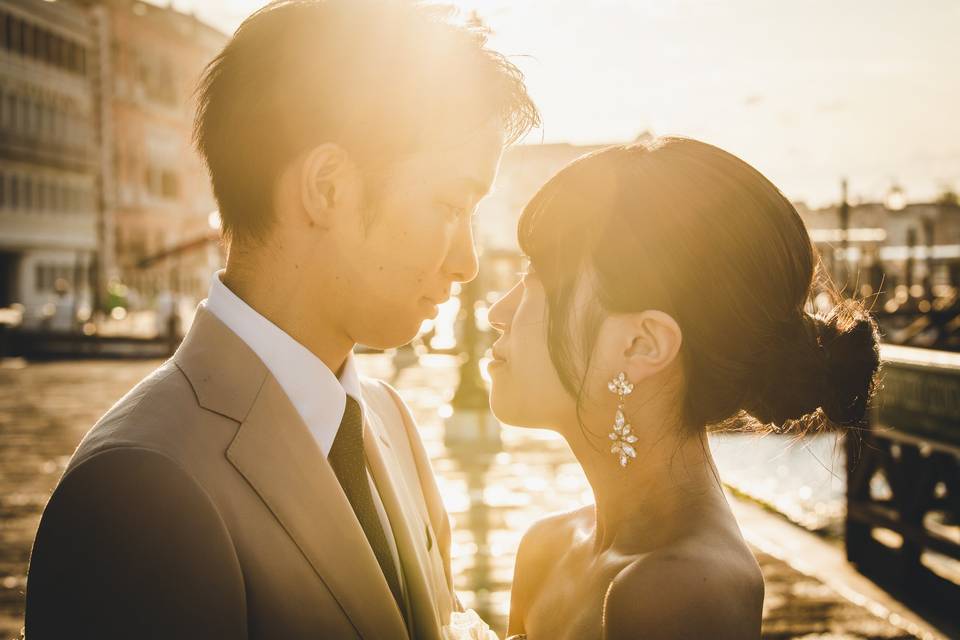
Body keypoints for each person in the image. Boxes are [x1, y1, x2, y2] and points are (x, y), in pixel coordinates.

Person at [25, 1, 537, 638]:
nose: (465, 263)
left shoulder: (390, 421)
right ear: (327, 187)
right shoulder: (136, 489)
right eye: (449, 205)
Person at [488, 138, 881, 640]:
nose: (496, 312)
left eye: (538, 280)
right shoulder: (546, 546)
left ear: (642, 343)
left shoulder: (682, 594)